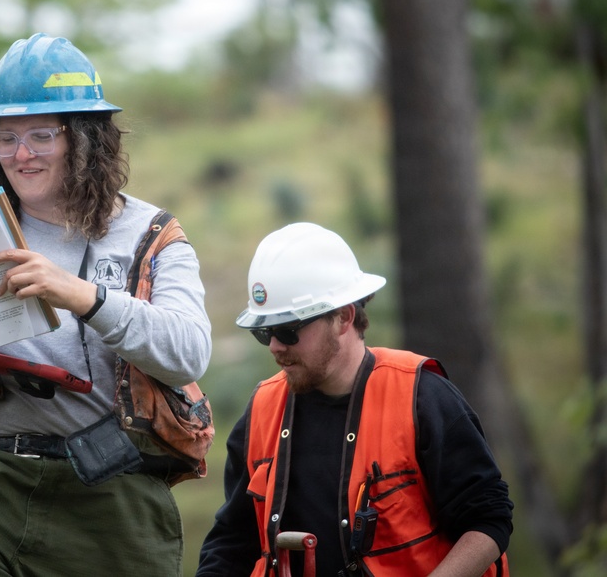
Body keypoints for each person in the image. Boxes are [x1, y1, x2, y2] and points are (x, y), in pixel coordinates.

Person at [0, 33, 212, 576]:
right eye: (5, 138)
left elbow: (188, 355)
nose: (21, 154)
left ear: (86, 139)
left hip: (109, 491)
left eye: (40, 135)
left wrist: (81, 295)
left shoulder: (151, 235)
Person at [196, 222, 513, 577]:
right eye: (264, 332)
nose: (275, 345)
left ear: (344, 317)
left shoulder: (421, 397)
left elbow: (489, 520)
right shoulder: (262, 411)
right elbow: (233, 543)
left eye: (288, 330)